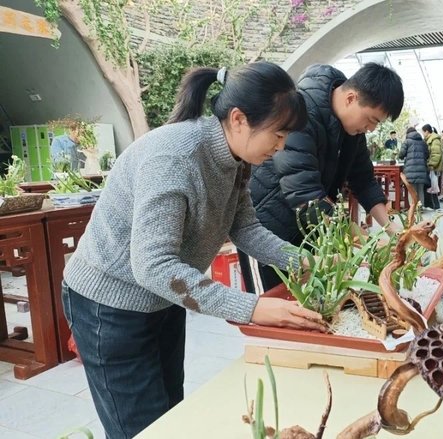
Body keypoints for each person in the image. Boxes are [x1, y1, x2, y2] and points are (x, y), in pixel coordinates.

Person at [61, 62, 326, 439]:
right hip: (109, 304)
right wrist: (252, 308)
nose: (281, 146)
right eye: (278, 134)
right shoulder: (175, 158)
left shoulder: (236, 158)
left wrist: (305, 260)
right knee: (142, 429)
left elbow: (245, 228)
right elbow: (152, 265)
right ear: (238, 119)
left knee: (172, 415)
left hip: (162, 297)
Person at [248, 63, 404, 290]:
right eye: (371, 120)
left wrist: (393, 230)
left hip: (311, 228)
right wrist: (365, 241)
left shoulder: (352, 130)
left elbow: (364, 181)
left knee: (309, 299)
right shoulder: (301, 114)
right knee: (274, 300)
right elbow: (305, 195)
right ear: (350, 98)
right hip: (268, 227)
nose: (370, 129)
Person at [398, 126, 429, 206]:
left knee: (412, 190)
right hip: (422, 170)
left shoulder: (407, 142)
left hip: (410, 170)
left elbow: (401, 154)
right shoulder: (423, 142)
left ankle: (413, 208)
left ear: (408, 133)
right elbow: (427, 155)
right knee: (420, 190)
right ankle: (421, 207)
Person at [421, 124, 443, 210]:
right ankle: (432, 205)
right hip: (431, 167)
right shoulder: (430, 139)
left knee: (433, 186)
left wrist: (431, 165)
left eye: (423, 132)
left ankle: (434, 205)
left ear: (426, 131)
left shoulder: (434, 140)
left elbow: (436, 154)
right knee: (432, 186)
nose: (423, 134)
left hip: (433, 167)